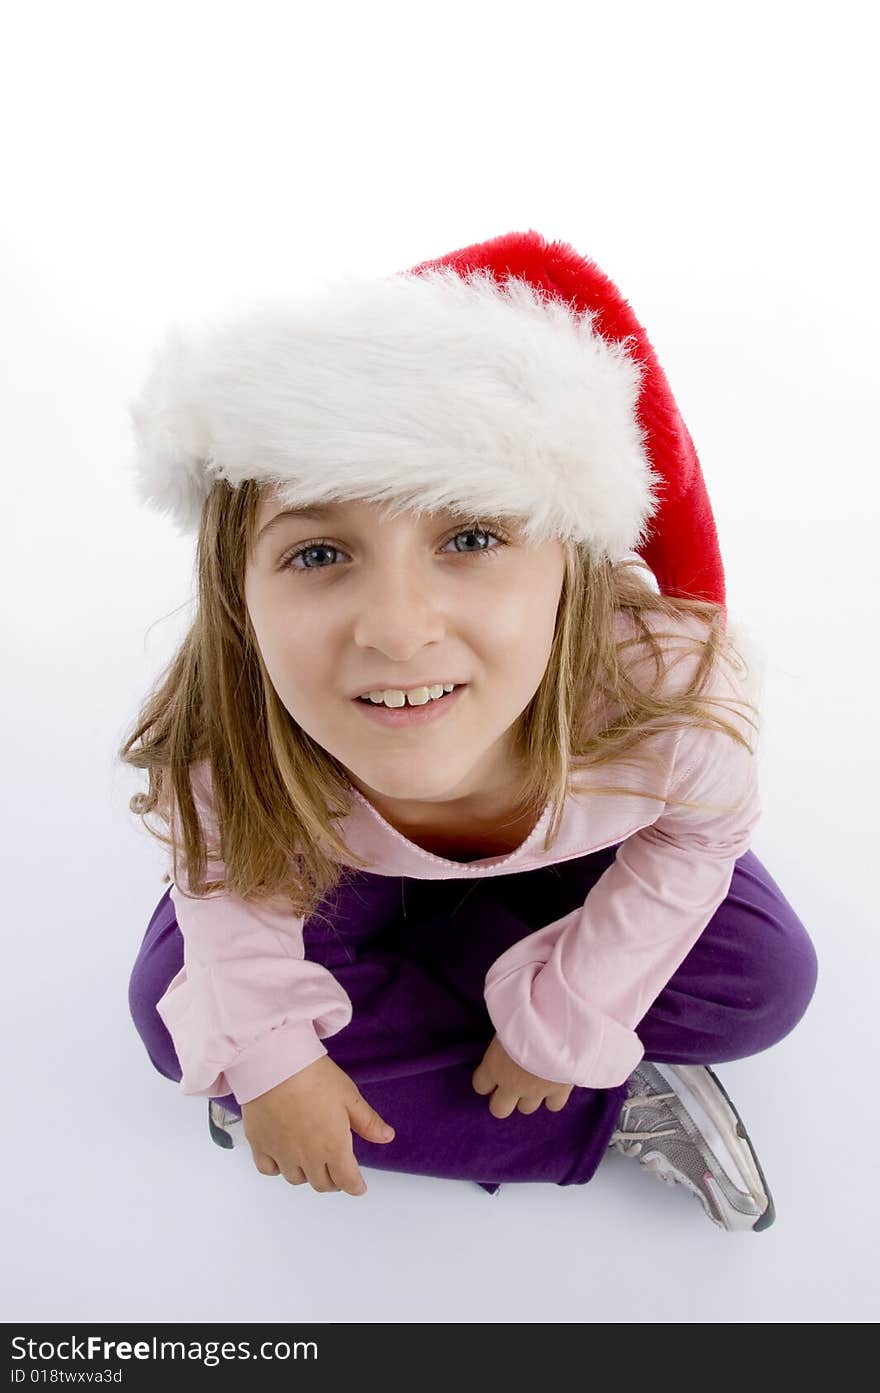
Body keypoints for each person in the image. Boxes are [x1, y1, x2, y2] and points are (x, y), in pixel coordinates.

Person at [122, 228, 818, 1233]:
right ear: (239, 598)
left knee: (762, 981)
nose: (399, 629)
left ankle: (406, 1004)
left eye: (473, 537)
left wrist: (571, 1009)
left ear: (572, 569)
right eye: (318, 553)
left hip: (579, 855)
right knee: (185, 1012)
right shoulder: (233, 736)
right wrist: (276, 1055)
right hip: (331, 872)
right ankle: (620, 1110)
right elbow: (225, 887)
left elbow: (698, 836)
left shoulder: (658, 699)